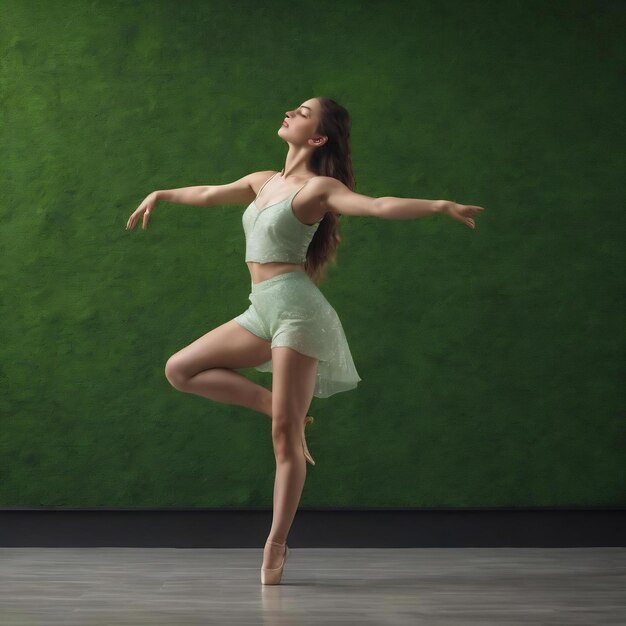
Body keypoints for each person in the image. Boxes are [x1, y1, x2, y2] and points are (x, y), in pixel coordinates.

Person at [125, 96, 485, 584]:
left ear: (317, 138)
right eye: (293, 108)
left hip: (297, 312)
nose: (289, 113)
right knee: (180, 369)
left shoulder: (319, 188)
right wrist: (162, 193)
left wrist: (439, 205)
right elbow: (211, 193)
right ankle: (279, 406)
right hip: (260, 310)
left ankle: (276, 542)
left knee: (283, 436)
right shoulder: (262, 181)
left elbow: (375, 206)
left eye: (302, 112)